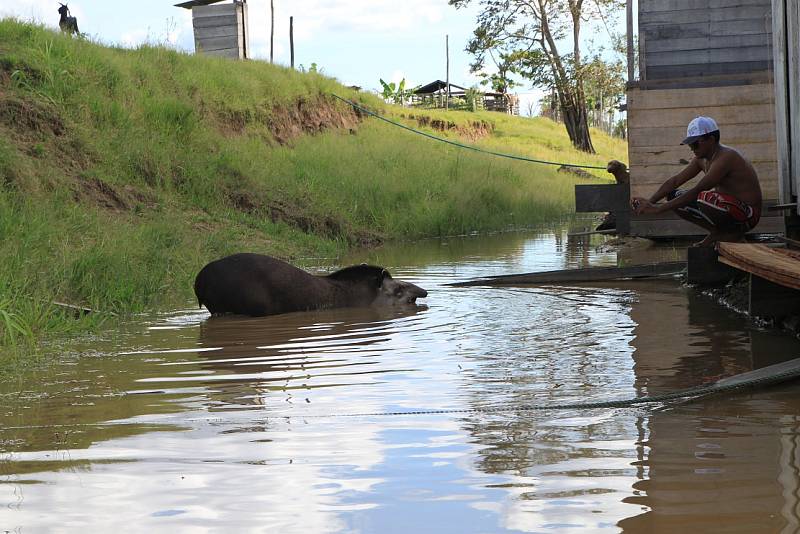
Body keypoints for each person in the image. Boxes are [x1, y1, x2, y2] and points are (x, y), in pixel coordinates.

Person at [630, 116, 762, 247]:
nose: (692, 148)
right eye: (690, 144)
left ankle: (733, 233)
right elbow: (674, 181)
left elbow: (698, 189)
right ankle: (718, 232)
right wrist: (649, 203)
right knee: (673, 195)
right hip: (728, 208)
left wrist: (658, 209)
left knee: (705, 197)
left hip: (748, 216)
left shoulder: (726, 157)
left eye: (695, 144)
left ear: (711, 139)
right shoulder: (701, 159)